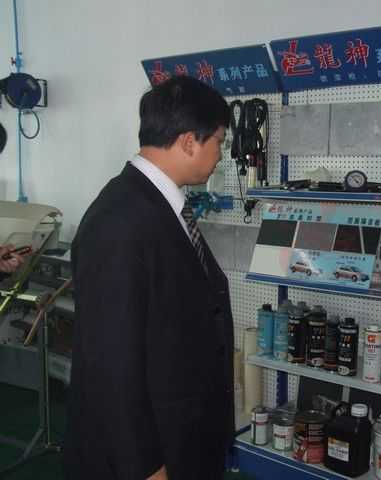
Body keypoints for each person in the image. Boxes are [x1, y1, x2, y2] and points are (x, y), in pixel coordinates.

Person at [65, 76, 234, 480]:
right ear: (190, 141)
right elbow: (110, 364)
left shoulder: (159, 205)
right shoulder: (120, 221)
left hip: (182, 432)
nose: (221, 155)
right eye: (219, 142)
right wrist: (145, 467)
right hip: (148, 454)